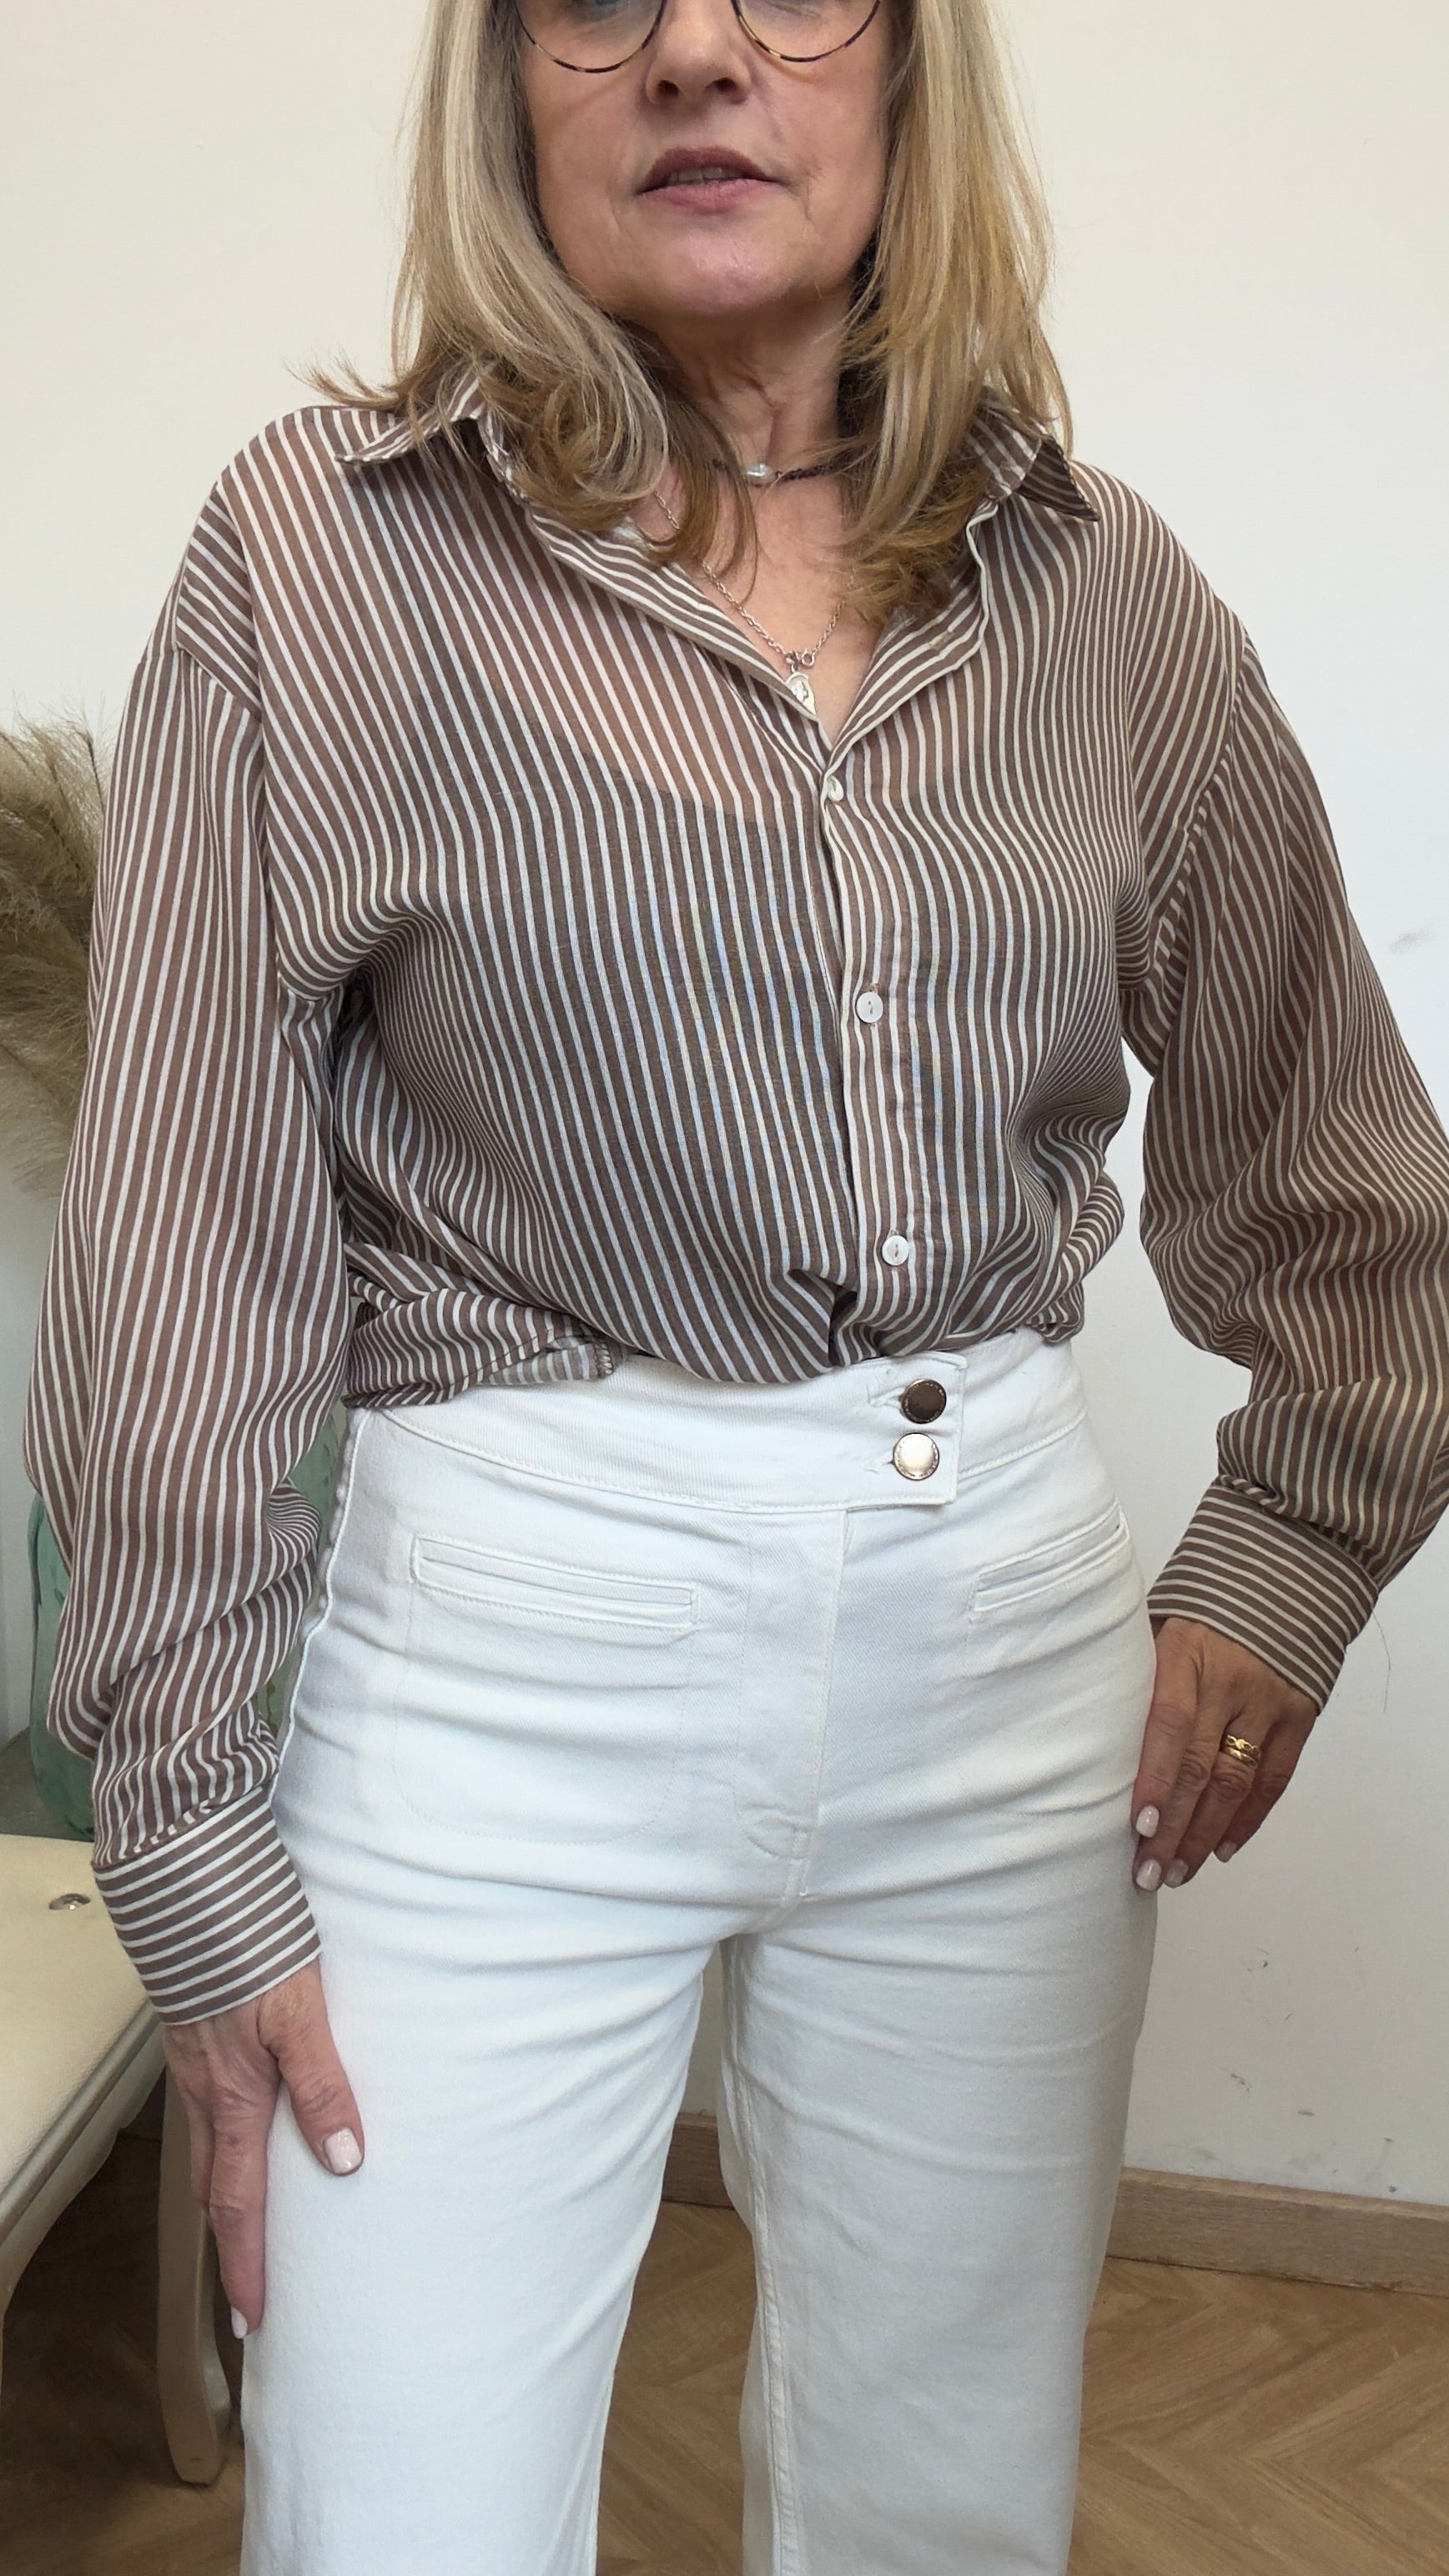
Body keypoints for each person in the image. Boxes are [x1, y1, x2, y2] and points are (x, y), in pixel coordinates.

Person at [23, 0, 1449, 2563]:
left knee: (939, 2507)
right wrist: (189, 1827)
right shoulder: (321, 558)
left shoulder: (1102, 591)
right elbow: (180, 1246)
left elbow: (1344, 1160)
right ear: (506, 87)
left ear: (908, 75)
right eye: (601, 1)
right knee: (393, 2518)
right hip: (494, 1667)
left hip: (1004, 1661)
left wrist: (1288, 1553)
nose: (695, 53)